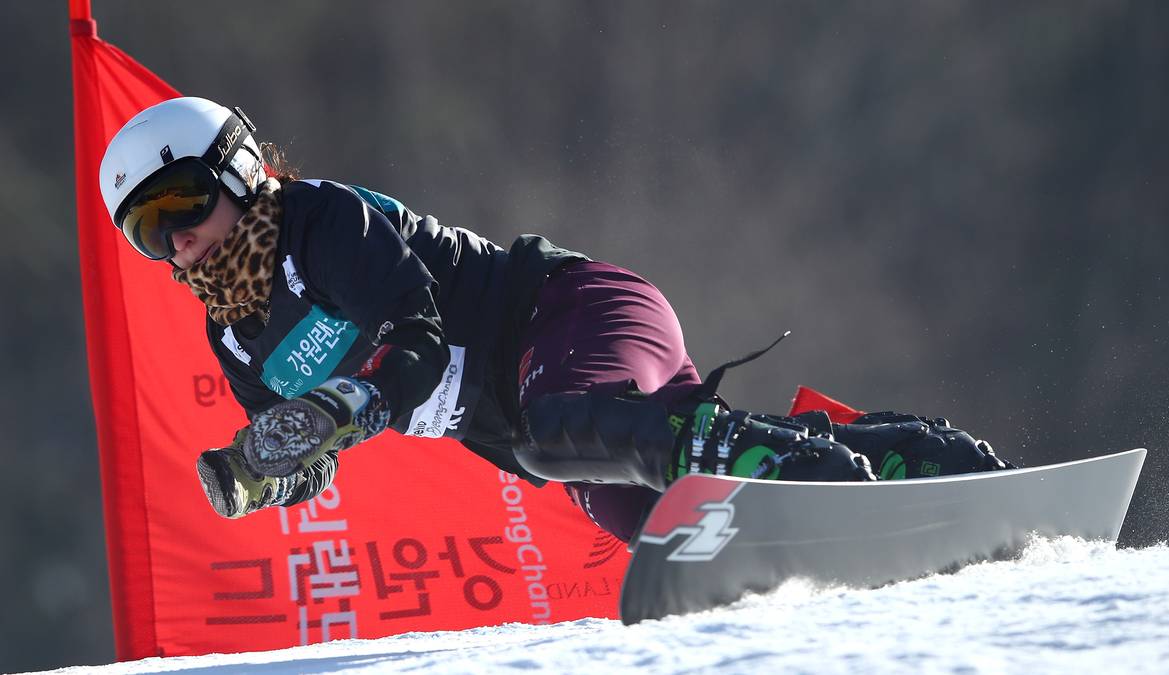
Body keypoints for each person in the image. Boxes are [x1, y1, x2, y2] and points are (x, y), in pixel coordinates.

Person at [98, 97, 1013, 542]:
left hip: (568, 315)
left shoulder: (319, 221)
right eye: (149, 232)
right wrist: (267, 472)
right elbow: (310, 453)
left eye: (182, 206)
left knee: (560, 431)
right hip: (528, 418)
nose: (179, 244)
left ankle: (811, 474)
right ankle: (901, 459)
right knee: (659, 526)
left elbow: (413, 337)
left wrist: (345, 404)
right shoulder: (235, 338)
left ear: (237, 171)